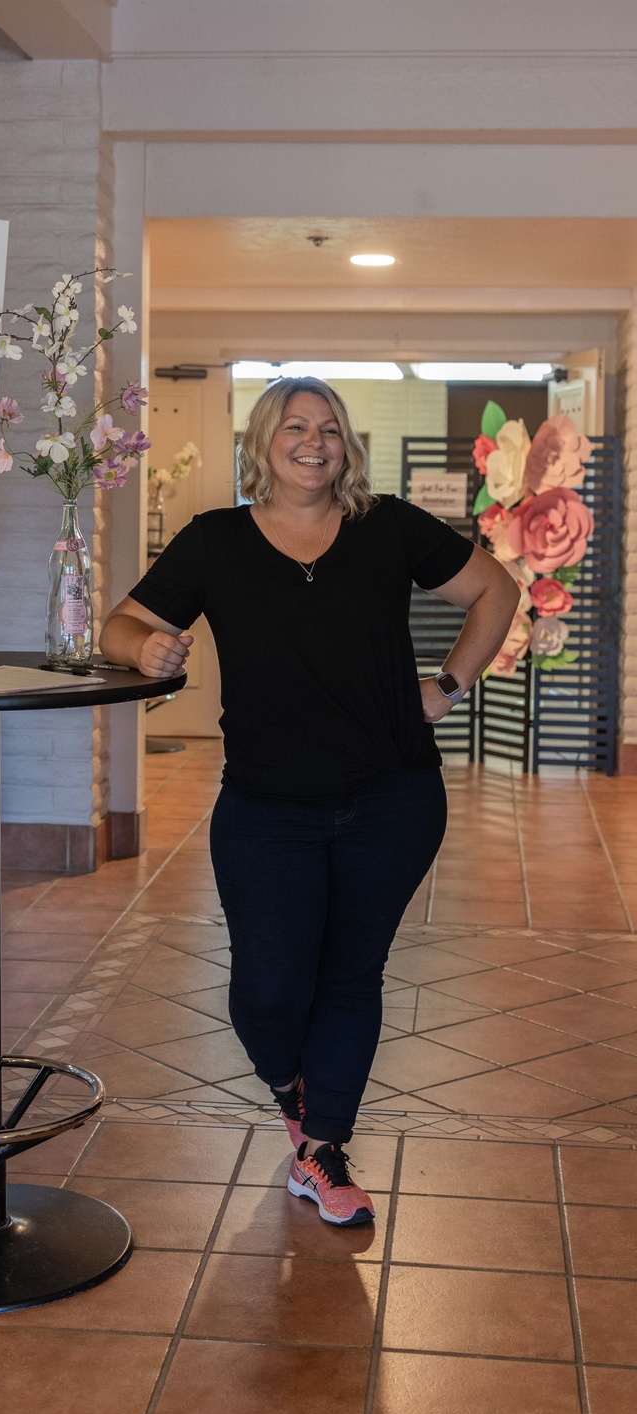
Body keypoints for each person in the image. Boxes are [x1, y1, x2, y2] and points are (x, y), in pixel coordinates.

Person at [100, 376, 520, 1227]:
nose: (314, 441)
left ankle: (324, 1146)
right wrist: (147, 647)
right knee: (268, 987)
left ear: (346, 445)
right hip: (267, 808)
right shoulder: (216, 540)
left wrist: (445, 685)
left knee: (351, 973)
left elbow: (496, 590)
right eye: (295, 426)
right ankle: (294, 1090)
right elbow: (118, 623)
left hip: (393, 796)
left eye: (329, 428)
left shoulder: (387, 525)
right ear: (265, 440)